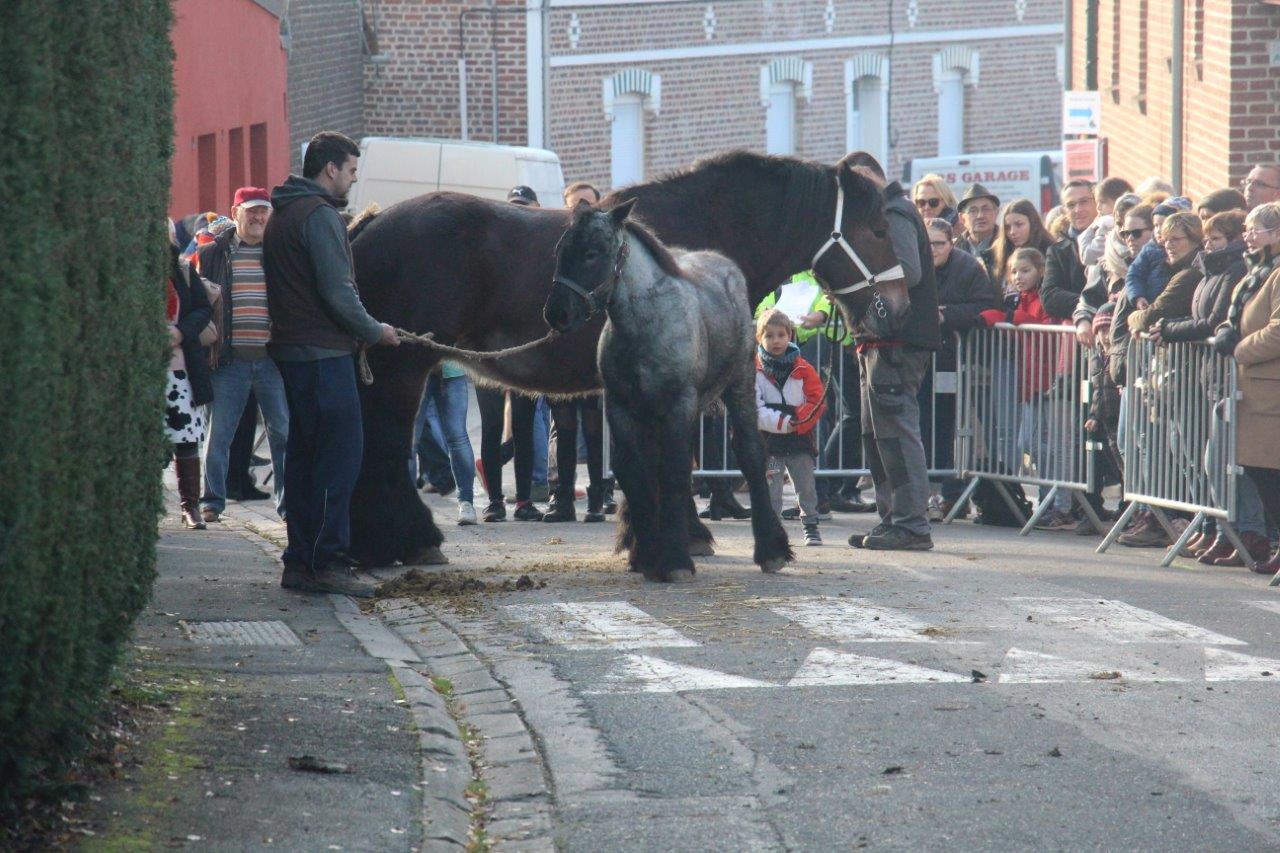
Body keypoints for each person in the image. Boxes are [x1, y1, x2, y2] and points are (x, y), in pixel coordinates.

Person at [263, 131, 401, 598]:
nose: (353, 181)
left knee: (303, 463)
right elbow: (338, 292)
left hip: (293, 355)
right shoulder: (319, 216)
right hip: (323, 357)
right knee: (338, 463)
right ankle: (329, 562)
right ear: (330, 170)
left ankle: (300, 562)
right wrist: (374, 330)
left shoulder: (283, 213)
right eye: (351, 171)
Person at [1157, 210, 1269, 565]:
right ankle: (1223, 531)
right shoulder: (1227, 271)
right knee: (1211, 460)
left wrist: (1234, 345)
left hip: (1247, 380)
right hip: (1218, 376)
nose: (1209, 246)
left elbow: (1227, 323)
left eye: (1216, 239)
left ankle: (1249, 534)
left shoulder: (1242, 270)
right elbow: (1225, 320)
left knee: (1236, 463)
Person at [845, 152, 941, 551]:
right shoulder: (888, 212)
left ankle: (911, 524)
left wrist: (858, 282)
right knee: (878, 434)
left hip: (897, 340)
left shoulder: (895, 213)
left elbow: (909, 271)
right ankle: (894, 519)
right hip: (882, 339)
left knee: (897, 433)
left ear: (868, 178)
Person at [196, 187, 290, 524]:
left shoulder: (279, 254)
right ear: (235, 213)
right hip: (228, 361)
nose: (259, 218)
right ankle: (211, 502)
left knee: (283, 433)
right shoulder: (212, 254)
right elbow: (195, 302)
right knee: (219, 435)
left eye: (264, 211)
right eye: (251, 211)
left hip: (271, 360)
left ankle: (287, 505)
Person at [979, 247, 1074, 529]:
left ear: (1041, 271)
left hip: (1051, 381)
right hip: (1032, 382)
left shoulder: (1044, 298)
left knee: (1055, 446)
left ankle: (1059, 505)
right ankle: (1048, 501)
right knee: (1028, 443)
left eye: (1025, 271)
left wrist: (1012, 318)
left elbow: (1045, 326)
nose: (1018, 277)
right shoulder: (1021, 299)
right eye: (1014, 272)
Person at [1210, 200, 1280, 576]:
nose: (1248, 237)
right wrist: (1225, 330)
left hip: (1271, 390)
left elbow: (1277, 329)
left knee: (1269, 470)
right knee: (1258, 468)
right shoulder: (1257, 273)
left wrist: (1239, 348)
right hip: (1254, 389)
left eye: (1257, 230)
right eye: (1248, 230)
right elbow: (1237, 316)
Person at [475, 185, 545, 522]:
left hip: (525, 351)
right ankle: (494, 500)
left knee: (524, 428)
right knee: (490, 427)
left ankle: (524, 500)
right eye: (514, 207)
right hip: (489, 350)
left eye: (524, 207)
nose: (518, 213)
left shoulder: (543, 252)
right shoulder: (492, 250)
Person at [546, 180, 613, 523]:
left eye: (588, 205)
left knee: (594, 425)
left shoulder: (605, 248)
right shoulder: (563, 246)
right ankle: (561, 497)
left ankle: (598, 498)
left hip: (593, 345)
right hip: (563, 343)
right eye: (576, 206)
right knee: (563, 425)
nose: (582, 212)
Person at [924, 217, 998, 518]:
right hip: (917, 361)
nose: (932, 249)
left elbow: (984, 305)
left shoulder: (967, 267)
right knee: (920, 429)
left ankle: (952, 495)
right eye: (927, 243)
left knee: (947, 428)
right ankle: (923, 494)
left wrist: (947, 315)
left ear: (951, 243)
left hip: (953, 359)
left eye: (938, 243)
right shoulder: (911, 263)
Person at [755, 309, 827, 546]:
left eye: (781, 335)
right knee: (772, 490)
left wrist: (798, 422)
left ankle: (811, 525)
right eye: (769, 336)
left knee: (806, 486)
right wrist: (784, 423)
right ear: (760, 339)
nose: (776, 341)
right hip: (770, 444)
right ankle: (775, 534)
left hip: (799, 441)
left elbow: (817, 400)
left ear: (790, 336)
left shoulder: (804, 369)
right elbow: (754, 409)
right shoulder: (755, 372)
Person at [165, 223, 215, 530]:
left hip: (181, 369)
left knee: (185, 439)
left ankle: (190, 507)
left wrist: (180, 331)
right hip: (145, 371)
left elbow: (201, 309)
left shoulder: (182, 269)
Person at [414, 361, 478, 525]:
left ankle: (466, 501)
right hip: (419, 366)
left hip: (450, 369)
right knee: (412, 438)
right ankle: (404, 502)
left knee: (457, 437)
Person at [1126, 212, 1204, 336]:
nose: (1168, 245)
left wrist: (1131, 318)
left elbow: (1151, 317)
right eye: (1166, 240)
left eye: (1175, 239)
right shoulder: (1177, 270)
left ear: (1194, 239)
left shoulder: (1190, 275)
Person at [1040, 180, 1098, 321]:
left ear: (1097, 202)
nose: (1078, 209)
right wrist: (1090, 304)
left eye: (1084, 201)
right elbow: (1050, 296)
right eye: (1071, 205)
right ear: (1065, 210)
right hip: (1078, 336)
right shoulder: (1057, 251)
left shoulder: (1113, 240)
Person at [1124, 197, 1192, 310]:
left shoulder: (1183, 250)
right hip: (1148, 304)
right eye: (1156, 225)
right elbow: (1134, 274)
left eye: (1164, 224)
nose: (1159, 230)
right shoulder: (1149, 249)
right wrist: (1137, 296)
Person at [988, 199, 1055, 291]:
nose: (1012, 232)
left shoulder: (1051, 252)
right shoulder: (998, 252)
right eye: (1007, 227)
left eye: (1019, 225)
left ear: (1033, 224)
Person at [953, 183, 1000, 263]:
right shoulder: (953, 249)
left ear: (996, 213)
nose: (980, 216)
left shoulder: (1008, 245)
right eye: (973, 211)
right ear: (962, 218)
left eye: (986, 209)